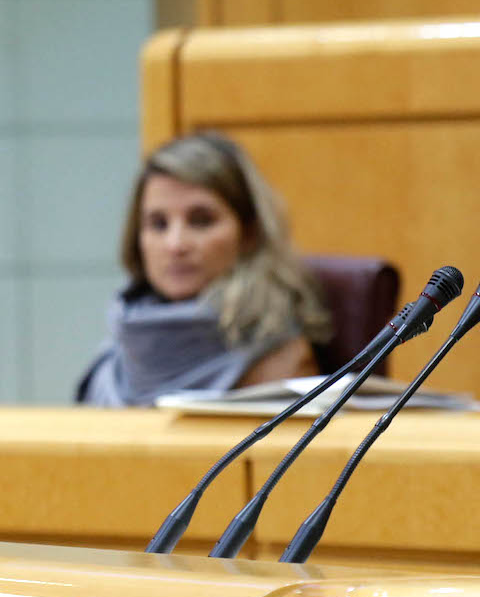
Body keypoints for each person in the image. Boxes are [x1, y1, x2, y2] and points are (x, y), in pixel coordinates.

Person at [77, 132, 330, 406]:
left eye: (201, 221)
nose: (175, 245)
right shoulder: (121, 346)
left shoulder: (278, 357)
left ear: (249, 233)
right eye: (158, 224)